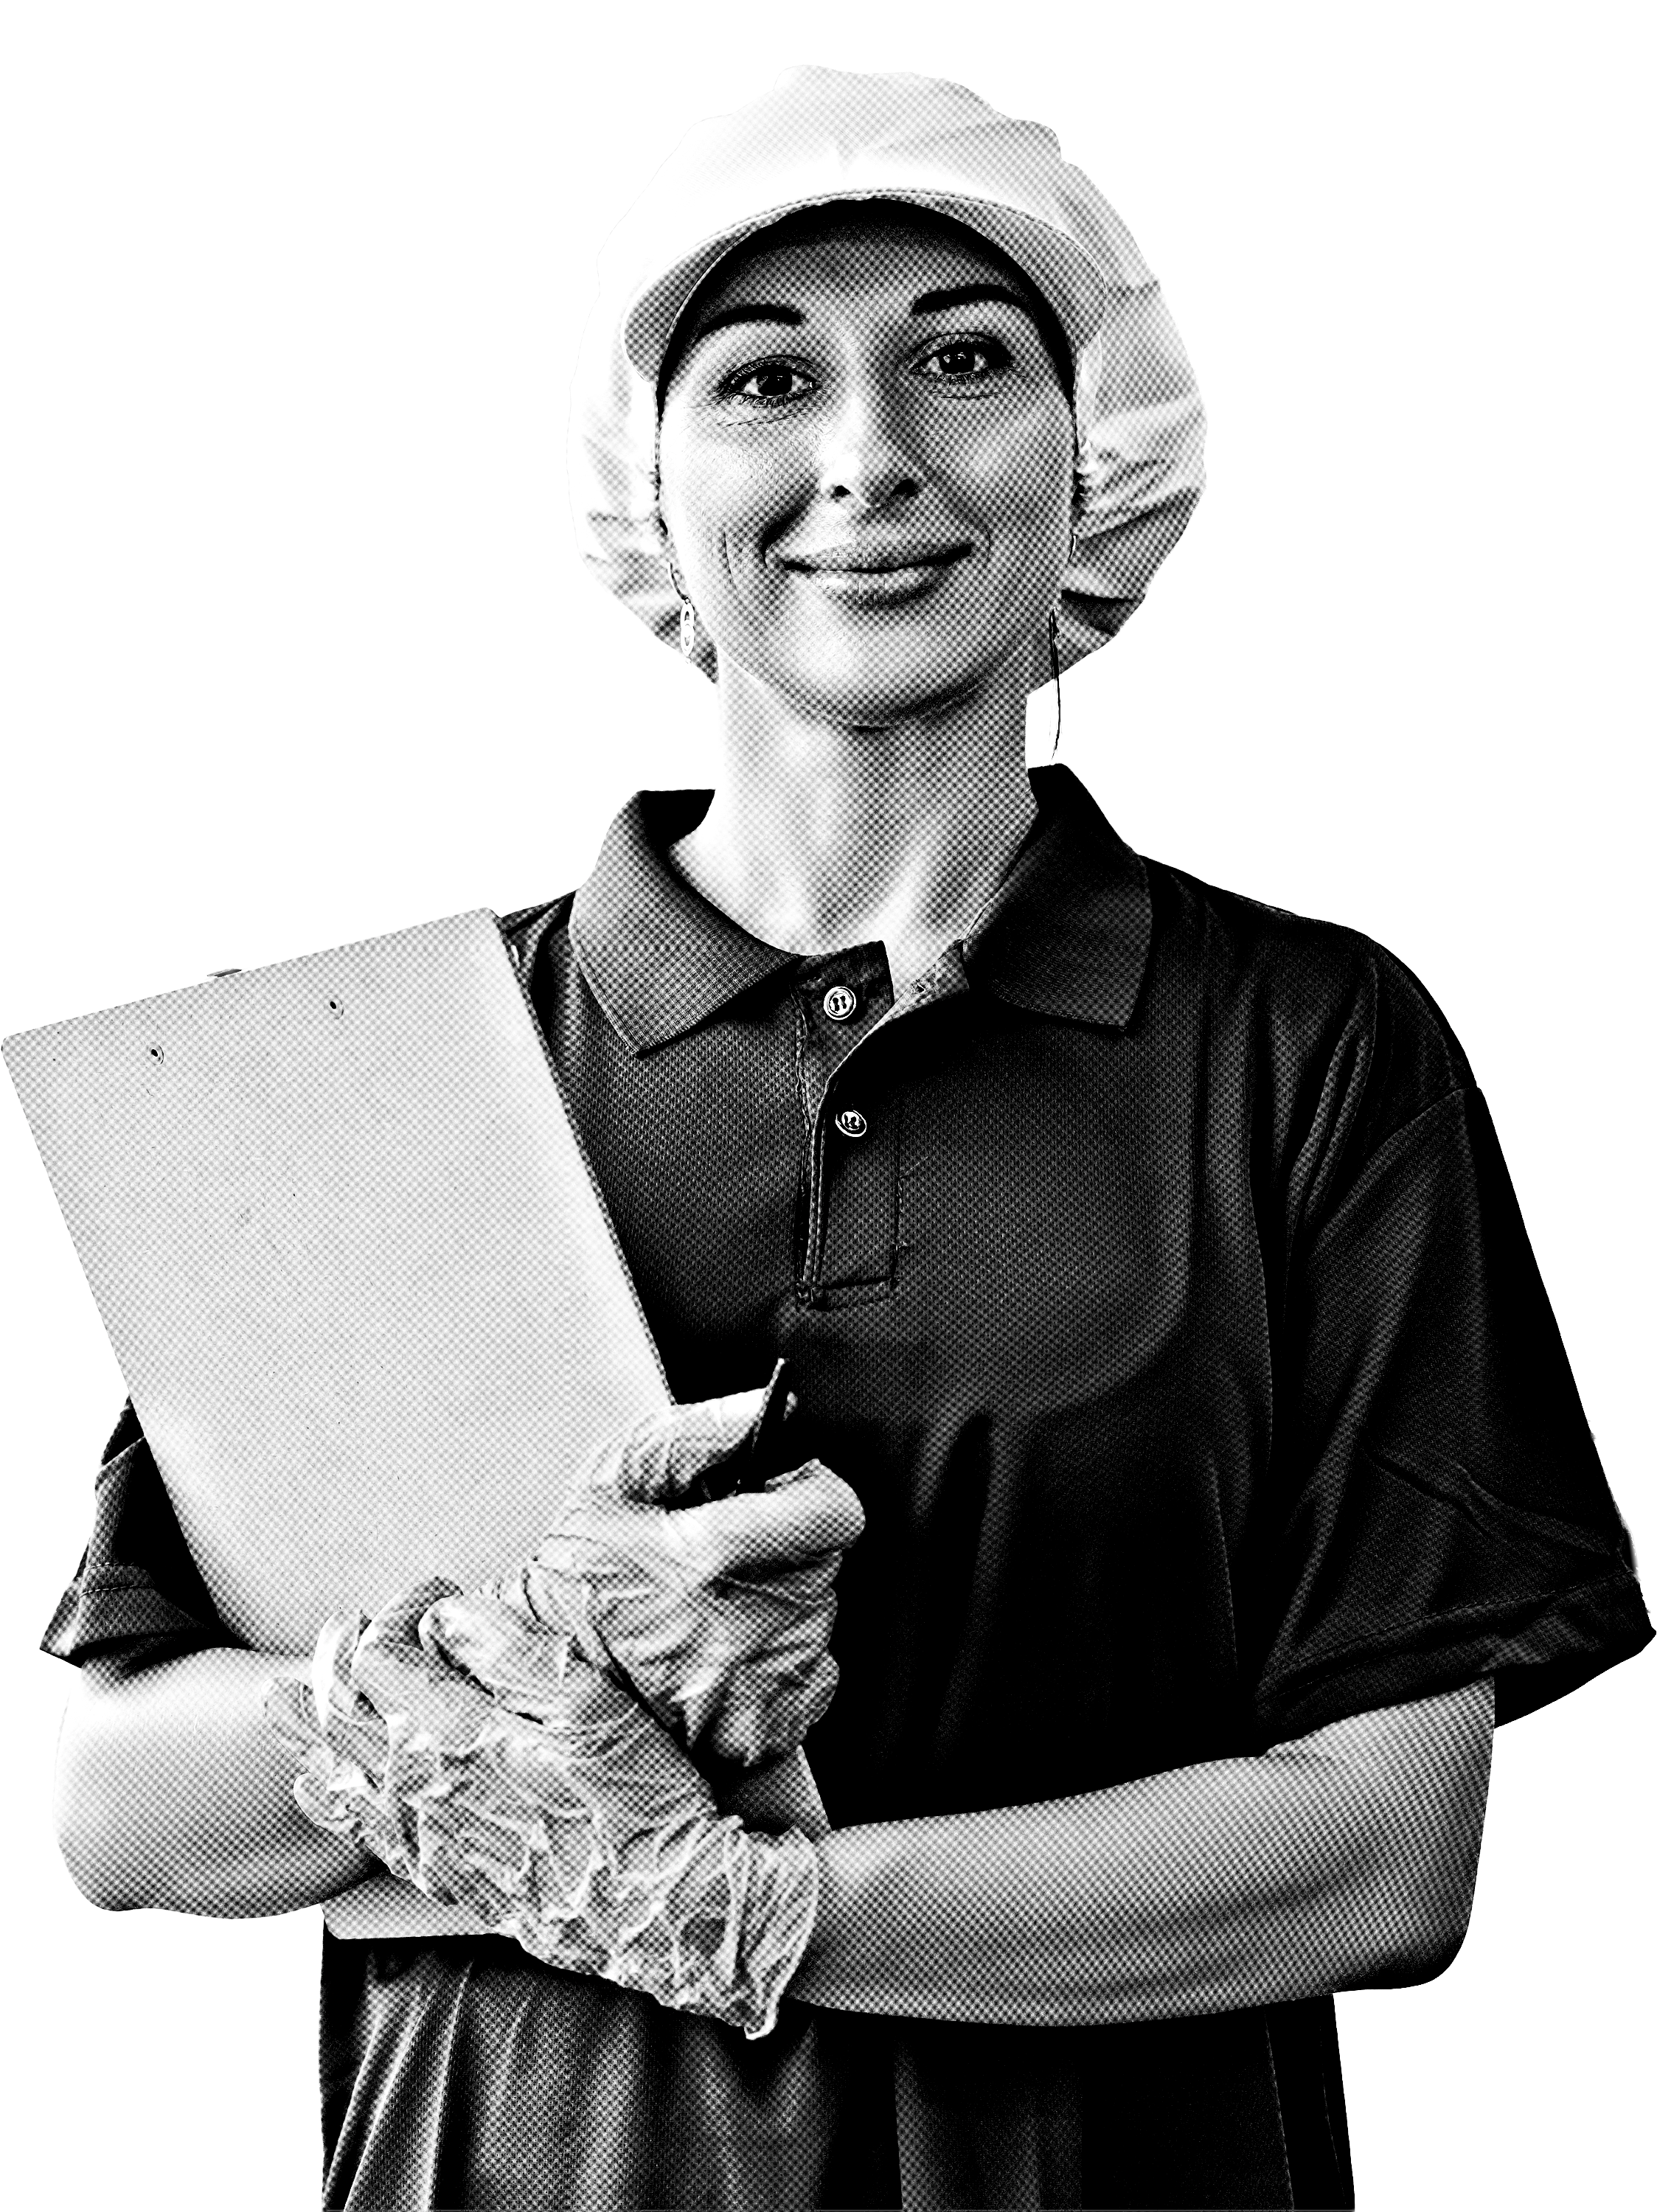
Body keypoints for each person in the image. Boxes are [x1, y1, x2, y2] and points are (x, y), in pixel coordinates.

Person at [44, 65, 1652, 2212]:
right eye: (765, 378)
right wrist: (503, 1670)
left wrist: (745, 1906)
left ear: (1092, 461)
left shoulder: (1302, 1048)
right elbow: (130, 1812)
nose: (867, 460)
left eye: (961, 362)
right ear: (648, 486)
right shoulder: (385, 1067)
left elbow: (1376, 1854)